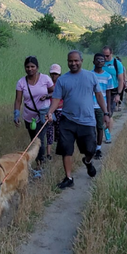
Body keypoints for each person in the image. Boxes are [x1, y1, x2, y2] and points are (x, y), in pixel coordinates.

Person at [45, 51, 110, 189]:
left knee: (90, 150)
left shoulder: (91, 76)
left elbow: (99, 95)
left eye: (76, 61)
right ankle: (68, 177)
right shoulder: (63, 80)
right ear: (67, 62)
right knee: (66, 149)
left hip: (87, 121)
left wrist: (106, 113)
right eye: (70, 61)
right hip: (67, 120)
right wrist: (50, 112)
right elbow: (56, 99)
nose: (73, 63)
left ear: (81, 60)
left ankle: (87, 162)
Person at [14, 56, 53, 166]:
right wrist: (16, 114)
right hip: (29, 117)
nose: (30, 69)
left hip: (43, 115)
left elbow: (55, 93)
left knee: (38, 140)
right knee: (33, 140)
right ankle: (38, 161)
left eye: (32, 66)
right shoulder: (21, 82)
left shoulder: (45, 79)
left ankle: (41, 164)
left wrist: (47, 96)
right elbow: (18, 100)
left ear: (37, 67)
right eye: (27, 67)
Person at [101, 45, 125, 143]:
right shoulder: (100, 62)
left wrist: (118, 94)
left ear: (111, 54)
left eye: (107, 56)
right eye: (104, 56)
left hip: (113, 92)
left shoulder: (117, 64)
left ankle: (107, 135)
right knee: (100, 114)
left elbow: (120, 80)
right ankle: (100, 134)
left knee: (108, 114)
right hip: (100, 92)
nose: (105, 58)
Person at [91, 53, 112, 160]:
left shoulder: (108, 76)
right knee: (90, 128)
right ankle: (91, 147)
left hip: (100, 106)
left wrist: (107, 110)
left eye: (102, 60)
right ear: (93, 62)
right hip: (89, 106)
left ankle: (98, 148)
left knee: (100, 127)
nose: (100, 61)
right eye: (97, 59)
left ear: (105, 62)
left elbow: (108, 94)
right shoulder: (89, 75)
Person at [45, 63, 63, 159]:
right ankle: (48, 153)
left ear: (59, 74)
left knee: (59, 130)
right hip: (50, 110)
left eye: (56, 74)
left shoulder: (62, 83)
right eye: (52, 73)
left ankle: (59, 150)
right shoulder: (48, 83)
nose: (54, 75)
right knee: (49, 130)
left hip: (60, 109)